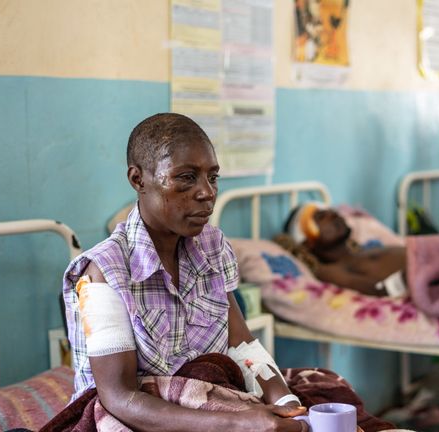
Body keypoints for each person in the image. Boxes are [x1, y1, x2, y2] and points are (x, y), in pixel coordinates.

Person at [62, 113, 309, 431]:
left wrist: (288, 405)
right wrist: (238, 425)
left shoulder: (213, 246)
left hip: (206, 398)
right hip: (135, 417)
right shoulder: (105, 272)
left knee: (330, 398)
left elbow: (241, 344)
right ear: (138, 180)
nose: (207, 192)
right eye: (186, 178)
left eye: (213, 177)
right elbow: (119, 398)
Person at [276, 204, 439, 298]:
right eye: (319, 218)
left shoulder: (364, 252)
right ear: (307, 243)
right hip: (437, 275)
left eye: (330, 211)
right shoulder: (330, 271)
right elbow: (383, 290)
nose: (332, 214)